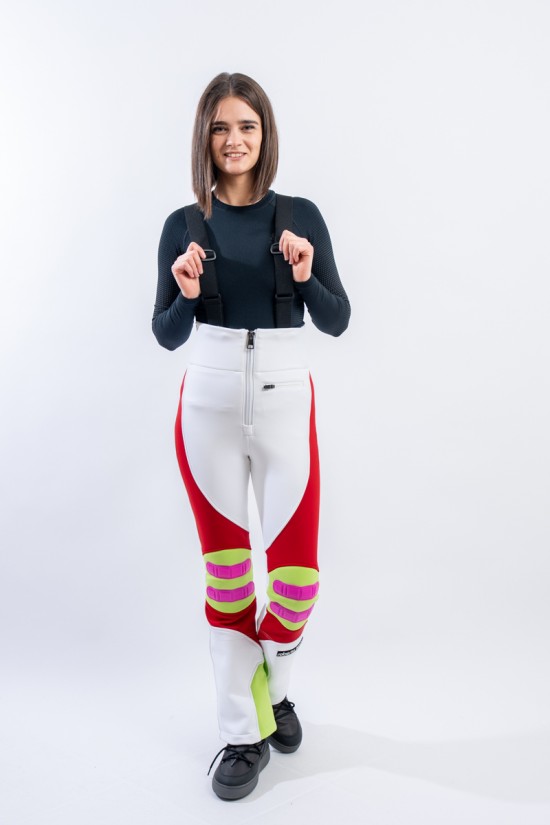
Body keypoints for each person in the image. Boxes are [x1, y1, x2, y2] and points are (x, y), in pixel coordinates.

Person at [152, 71, 351, 801]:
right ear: (204, 138)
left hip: (285, 401)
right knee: (229, 575)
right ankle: (242, 732)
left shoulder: (301, 217)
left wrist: (304, 274)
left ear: (265, 135)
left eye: (247, 126)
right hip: (205, 406)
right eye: (220, 128)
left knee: (296, 580)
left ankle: (272, 687)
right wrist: (188, 294)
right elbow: (165, 331)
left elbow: (337, 318)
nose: (234, 140)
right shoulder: (183, 223)